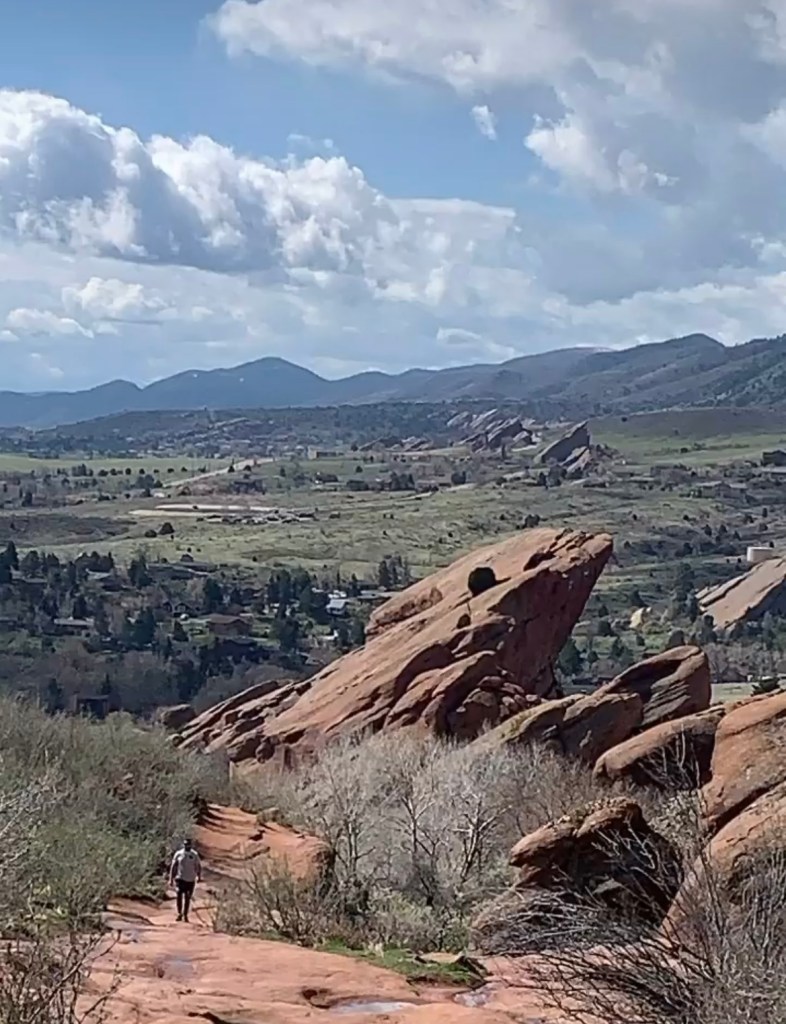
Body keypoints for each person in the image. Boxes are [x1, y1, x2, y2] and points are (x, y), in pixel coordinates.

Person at [168, 838, 202, 922]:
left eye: (188, 845)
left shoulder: (194, 855)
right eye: (185, 844)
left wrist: (199, 876)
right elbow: (173, 866)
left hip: (190, 879)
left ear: (191, 845)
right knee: (179, 895)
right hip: (180, 878)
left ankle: (185, 914)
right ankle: (179, 913)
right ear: (183, 845)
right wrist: (171, 879)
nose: (187, 846)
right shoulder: (178, 854)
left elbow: (198, 866)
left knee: (187, 897)